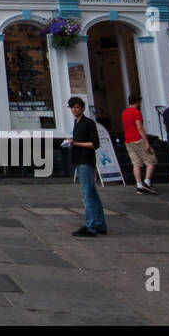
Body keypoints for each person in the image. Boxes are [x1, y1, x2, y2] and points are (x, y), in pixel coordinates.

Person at [64, 96, 107, 237]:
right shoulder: (77, 123)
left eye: (76, 107)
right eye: (72, 107)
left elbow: (95, 144)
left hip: (86, 162)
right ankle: (100, 225)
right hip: (79, 160)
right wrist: (72, 142)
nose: (74, 110)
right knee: (93, 195)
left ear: (82, 108)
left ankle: (91, 226)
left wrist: (76, 144)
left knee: (87, 196)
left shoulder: (89, 123)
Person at [121, 94, 158, 194]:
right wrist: (146, 141)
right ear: (137, 102)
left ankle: (139, 185)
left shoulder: (124, 112)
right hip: (137, 138)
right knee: (151, 160)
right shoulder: (136, 112)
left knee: (136, 163)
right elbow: (139, 127)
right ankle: (147, 182)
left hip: (128, 140)